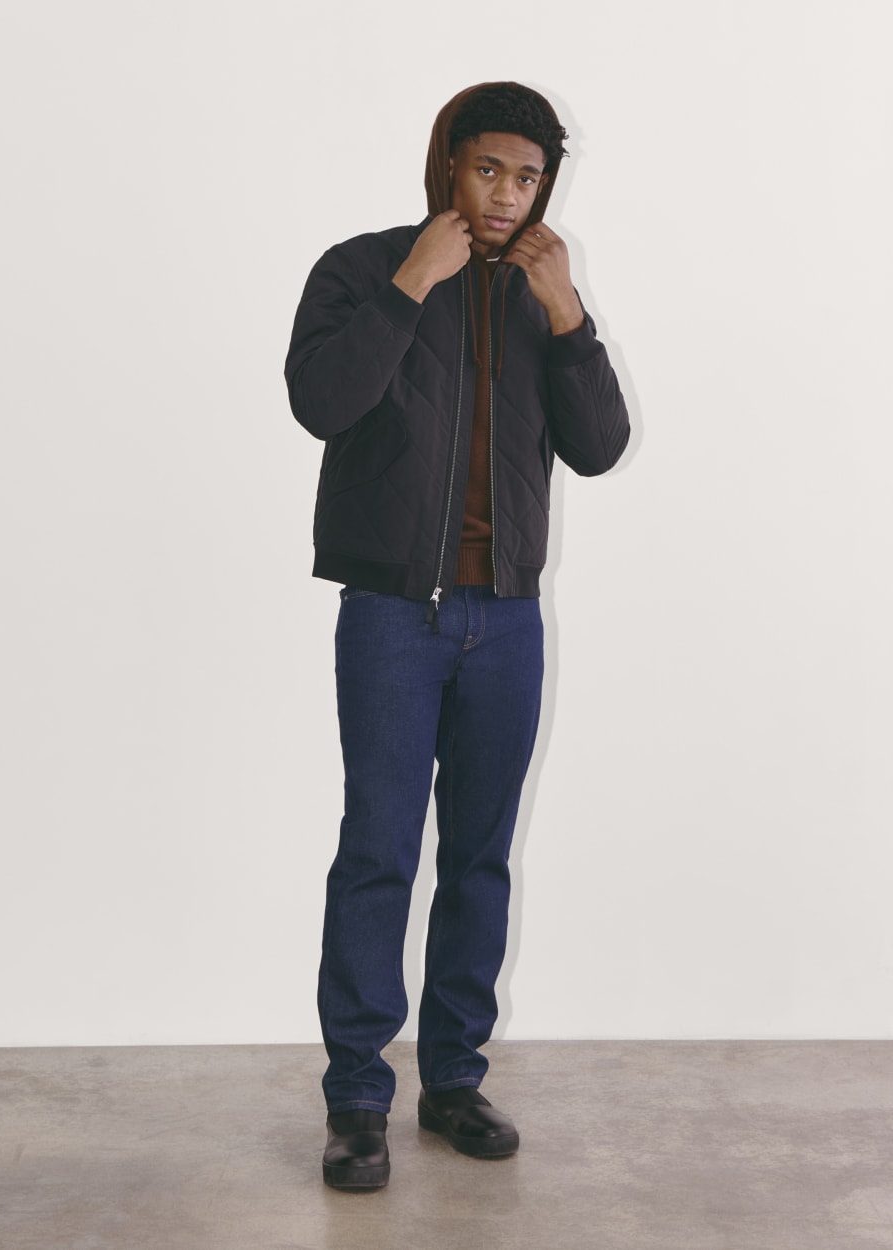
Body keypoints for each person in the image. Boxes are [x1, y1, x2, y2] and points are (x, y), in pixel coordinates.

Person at [285, 81, 630, 1190]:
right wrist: (411, 284)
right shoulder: (361, 268)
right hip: (394, 613)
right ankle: (356, 1098)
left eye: (527, 178)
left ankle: (453, 1081)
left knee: (479, 860)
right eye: (489, 170)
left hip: (508, 620)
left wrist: (569, 312)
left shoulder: (539, 295)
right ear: (448, 165)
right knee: (379, 852)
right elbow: (321, 402)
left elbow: (600, 445)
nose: (507, 195)